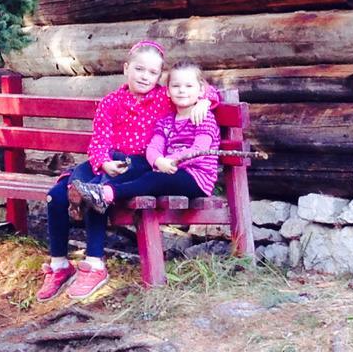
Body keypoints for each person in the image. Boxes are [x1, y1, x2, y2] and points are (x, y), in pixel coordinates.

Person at [37, 41, 220, 302]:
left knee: (98, 189)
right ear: (126, 68)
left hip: (138, 163)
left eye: (152, 72)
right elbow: (99, 141)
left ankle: (95, 265)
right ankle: (59, 265)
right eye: (139, 69)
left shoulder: (164, 97)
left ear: (159, 77)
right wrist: (102, 161)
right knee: (57, 194)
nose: (145, 77)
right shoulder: (110, 102)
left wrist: (206, 100)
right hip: (109, 161)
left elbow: (194, 88)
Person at [72, 60, 221, 215]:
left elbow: (199, 151)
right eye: (176, 86)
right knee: (148, 174)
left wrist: (171, 160)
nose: (182, 91)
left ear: (201, 90)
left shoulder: (204, 118)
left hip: (196, 178)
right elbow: (154, 147)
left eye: (189, 86)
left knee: (154, 179)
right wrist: (158, 160)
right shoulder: (166, 121)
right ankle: (96, 194)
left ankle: (105, 194)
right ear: (168, 91)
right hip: (169, 171)